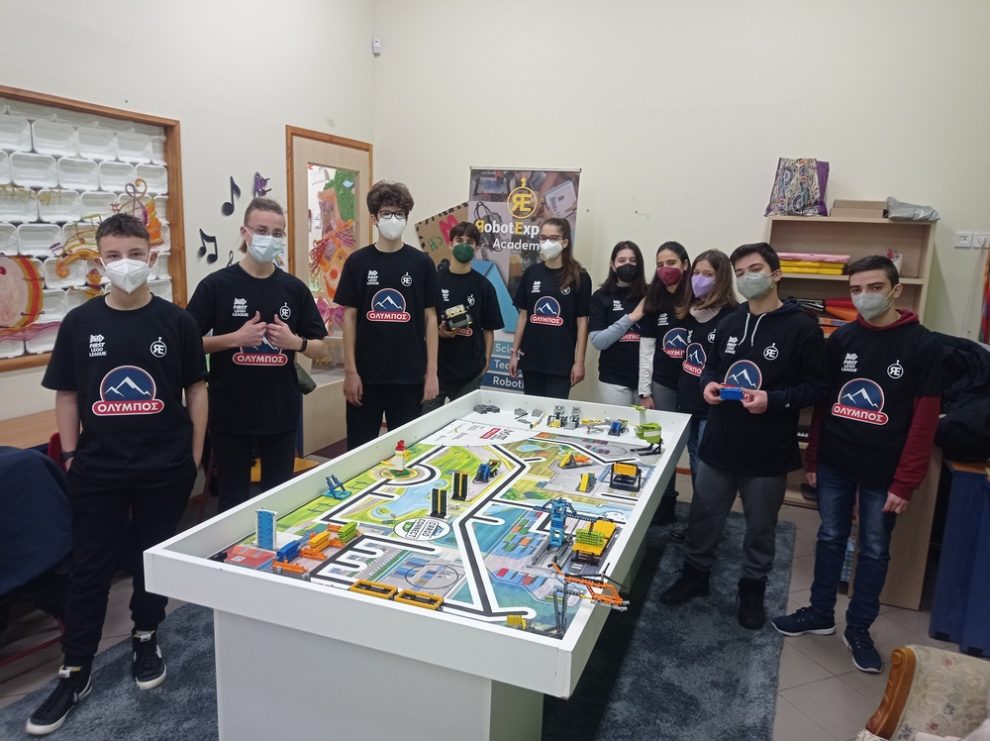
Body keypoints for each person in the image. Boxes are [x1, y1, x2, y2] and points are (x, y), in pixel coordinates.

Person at [28, 214, 208, 736]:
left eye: (134, 253)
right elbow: (67, 394)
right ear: (100, 261)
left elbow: (196, 389)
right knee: (90, 567)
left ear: (151, 257)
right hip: (98, 468)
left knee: (151, 558)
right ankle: (76, 667)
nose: (124, 263)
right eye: (113, 255)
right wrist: (70, 456)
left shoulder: (176, 323)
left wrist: (194, 455)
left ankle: (146, 635)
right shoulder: (80, 324)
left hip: (165, 465)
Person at [772, 255, 941, 672]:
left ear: (896, 290)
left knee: (875, 550)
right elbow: (824, 406)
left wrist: (905, 481)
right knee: (830, 537)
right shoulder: (842, 340)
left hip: (885, 472)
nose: (864, 296)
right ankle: (820, 613)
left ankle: (859, 628)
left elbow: (924, 422)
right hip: (835, 461)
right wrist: (814, 458)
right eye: (856, 289)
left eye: (874, 287)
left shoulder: (923, 345)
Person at [659, 242, 829, 630]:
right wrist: (707, 385)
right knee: (704, 515)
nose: (747, 278)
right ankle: (695, 574)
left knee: (760, 527)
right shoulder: (731, 322)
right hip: (720, 441)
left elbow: (819, 387)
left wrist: (774, 399)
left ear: (776, 274)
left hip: (768, 449)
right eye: (740, 273)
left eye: (754, 269)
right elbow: (711, 368)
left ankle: (752, 588)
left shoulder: (802, 327)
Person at [186, 197, 328, 512]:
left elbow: (320, 345)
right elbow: (186, 344)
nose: (269, 238)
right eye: (262, 230)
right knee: (233, 502)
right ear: (245, 232)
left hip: (280, 412)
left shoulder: (293, 289)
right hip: (230, 413)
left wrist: (296, 343)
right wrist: (233, 339)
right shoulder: (216, 286)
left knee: (278, 501)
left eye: (277, 233)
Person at [335, 180, 440, 448]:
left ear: (406, 218)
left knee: (405, 450)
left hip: (409, 376)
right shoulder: (357, 262)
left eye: (399, 214)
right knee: (359, 451)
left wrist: (432, 372)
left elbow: (431, 318)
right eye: (386, 213)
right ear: (374, 218)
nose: (393, 219)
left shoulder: (422, 263)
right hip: (365, 376)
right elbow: (349, 318)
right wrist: (350, 371)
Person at [422, 222, 503, 413]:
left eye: (470, 242)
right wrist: (439, 332)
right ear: (450, 243)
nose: (464, 245)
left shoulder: (484, 286)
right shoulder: (434, 281)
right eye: (459, 240)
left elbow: (488, 330)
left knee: (463, 423)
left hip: (470, 373)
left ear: (477, 247)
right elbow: (421, 323)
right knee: (426, 423)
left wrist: (486, 362)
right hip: (436, 371)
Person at [637, 241, 692, 523]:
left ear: (685, 264)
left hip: (694, 387)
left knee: (696, 448)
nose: (665, 269)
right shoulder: (654, 300)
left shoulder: (697, 298)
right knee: (659, 445)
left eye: (671, 263)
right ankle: (663, 502)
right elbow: (646, 350)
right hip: (662, 384)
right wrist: (644, 391)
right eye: (660, 264)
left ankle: (701, 511)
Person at [508, 217, 591, 399]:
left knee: (554, 412)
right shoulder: (531, 273)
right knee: (533, 410)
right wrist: (514, 353)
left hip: (561, 362)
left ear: (564, 242)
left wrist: (579, 362)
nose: (547, 242)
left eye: (553, 238)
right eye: (543, 238)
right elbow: (523, 317)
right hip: (531, 359)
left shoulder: (579, 276)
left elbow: (582, 322)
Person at [674, 249, 738, 483]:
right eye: (696, 273)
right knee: (694, 458)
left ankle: (705, 506)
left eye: (708, 274)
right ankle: (698, 505)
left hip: (713, 406)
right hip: (688, 399)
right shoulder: (689, 311)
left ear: (721, 279)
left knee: (707, 466)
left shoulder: (733, 316)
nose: (699, 279)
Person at [589, 241, 647, 406]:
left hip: (647, 381)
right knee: (617, 422)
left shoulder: (650, 295)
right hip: (613, 379)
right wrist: (631, 318)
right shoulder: (600, 297)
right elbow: (599, 341)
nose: (627, 264)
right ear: (613, 265)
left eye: (632, 260)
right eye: (622, 260)